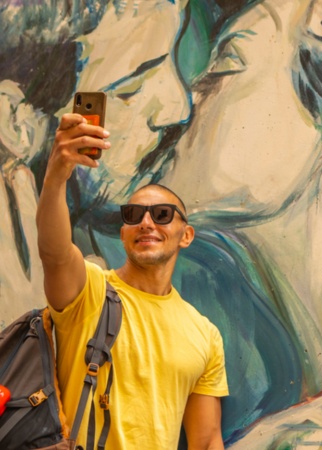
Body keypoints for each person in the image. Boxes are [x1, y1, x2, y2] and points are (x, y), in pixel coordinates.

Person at [36, 113, 229, 449]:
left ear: (186, 236)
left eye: (163, 215)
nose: (147, 222)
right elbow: (54, 253)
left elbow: (207, 438)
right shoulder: (89, 291)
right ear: (123, 233)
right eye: (133, 215)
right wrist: (56, 177)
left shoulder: (205, 335)